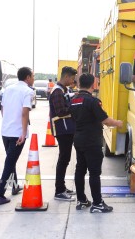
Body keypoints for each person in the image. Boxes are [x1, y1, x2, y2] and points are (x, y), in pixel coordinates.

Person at [69, 73, 123, 213]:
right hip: (92, 141)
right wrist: (117, 123)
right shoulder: (92, 101)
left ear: (80, 83)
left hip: (79, 139)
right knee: (94, 173)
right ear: (93, 84)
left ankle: (82, 201)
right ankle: (97, 204)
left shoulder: (73, 99)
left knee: (80, 170)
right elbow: (105, 120)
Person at [0, 67, 34, 205]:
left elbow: (3, 109)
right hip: (17, 133)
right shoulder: (27, 91)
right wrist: (23, 133)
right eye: (33, 76)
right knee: (10, 162)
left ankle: (15, 186)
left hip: (5, 131)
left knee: (10, 160)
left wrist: (7, 122)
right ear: (28, 77)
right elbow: (25, 113)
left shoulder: (8, 90)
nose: (33, 79)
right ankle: (0, 193)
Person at [49, 66, 78, 201]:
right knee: (63, 159)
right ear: (66, 77)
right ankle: (59, 190)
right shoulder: (57, 92)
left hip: (67, 129)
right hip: (63, 130)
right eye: (72, 78)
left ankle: (62, 186)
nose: (72, 81)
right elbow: (61, 111)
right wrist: (75, 107)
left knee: (65, 159)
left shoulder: (64, 90)